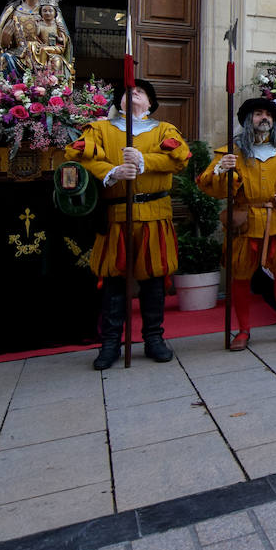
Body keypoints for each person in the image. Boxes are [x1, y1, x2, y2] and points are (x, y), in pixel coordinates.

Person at [67, 78, 190, 369]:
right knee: (113, 282)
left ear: (150, 103)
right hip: (116, 217)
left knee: (154, 281)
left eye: (140, 92)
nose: (132, 95)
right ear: (118, 101)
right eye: (127, 92)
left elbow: (181, 157)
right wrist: (111, 172)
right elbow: (75, 155)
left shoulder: (164, 130)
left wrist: (144, 160)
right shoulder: (99, 129)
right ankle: (110, 343)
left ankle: (153, 338)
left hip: (155, 215)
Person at [200, 97, 276, 348]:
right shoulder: (231, 152)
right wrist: (222, 169)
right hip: (245, 220)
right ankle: (243, 330)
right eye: (258, 114)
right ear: (247, 120)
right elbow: (213, 188)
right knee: (240, 274)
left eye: (268, 115)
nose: (264, 118)